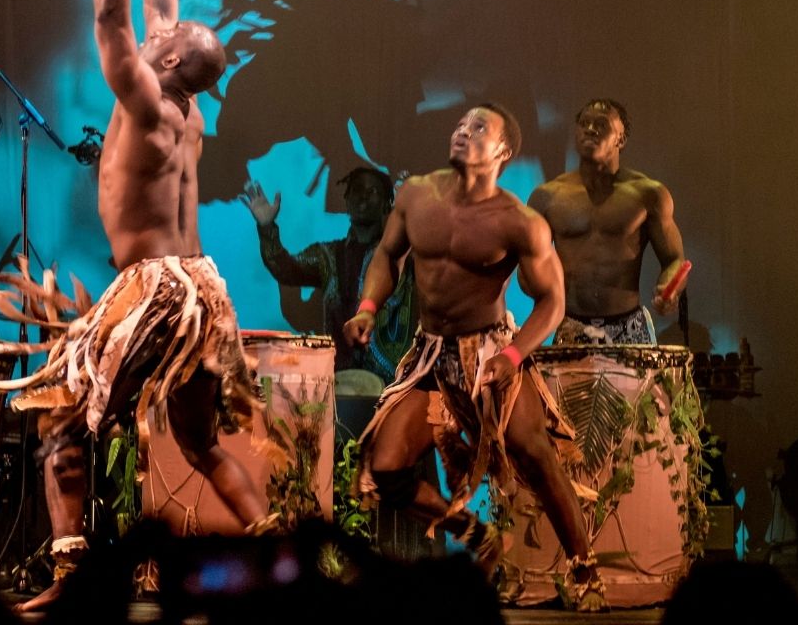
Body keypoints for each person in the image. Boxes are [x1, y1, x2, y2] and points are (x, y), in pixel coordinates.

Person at [0, 0, 268, 609]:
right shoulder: (184, 106)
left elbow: (110, 13)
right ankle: (285, 561)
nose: (160, 26)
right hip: (202, 287)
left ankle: (69, 582)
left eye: (166, 35)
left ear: (164, 60)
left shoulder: (143, 97)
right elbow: (161, 6)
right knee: (196, 441)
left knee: (61, 416)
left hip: (157, 290)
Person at [347, 105, 606, 610]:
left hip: (487, 350)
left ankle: (584, 568)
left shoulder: (520, 222)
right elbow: (387, 255)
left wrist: (512, 354)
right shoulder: (416, 194)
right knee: (385, 469)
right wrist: (368, 307)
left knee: (534, 453)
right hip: (430, 356)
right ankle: (474, 533)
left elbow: (552, 303)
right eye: (461, 124)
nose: (463, 132)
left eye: (478, 128)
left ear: (504, 151)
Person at [530, 99, 688, 345]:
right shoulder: (547, 196)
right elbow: (529, 262)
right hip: (572, 324)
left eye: (601, 125)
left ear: (620, 139)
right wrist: (536, 285)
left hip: (629, 326)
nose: (590, 129)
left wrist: (669, 288)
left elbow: (674, 260)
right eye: (584, 123)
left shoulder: (648, 194)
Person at [247, 166, 417, 380]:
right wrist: (267, 227)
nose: (363, 196)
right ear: (346, 201)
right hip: (337, 378)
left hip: (391, 381)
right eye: (356, 190)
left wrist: (410, 213)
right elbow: (285, 269)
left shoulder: (403, 257)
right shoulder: (326, 254)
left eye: (372, 191)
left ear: (387, 204)